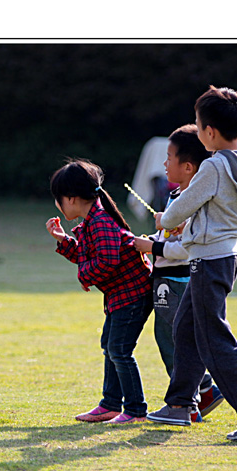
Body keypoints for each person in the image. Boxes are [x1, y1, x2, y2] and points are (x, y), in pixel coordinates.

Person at [144, 85, 237, 442]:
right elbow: (213, 206)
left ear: (211, 132)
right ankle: (179, 405)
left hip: (209, 259)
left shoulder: (214, 166)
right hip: (225, 253)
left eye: (199, 127)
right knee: (185, 329)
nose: (198, 132)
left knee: (212, 337)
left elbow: (182, 206)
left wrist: (164, 220)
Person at [46, 159, 154, 425]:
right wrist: (63, 240)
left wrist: (85, 276)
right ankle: (110, 404)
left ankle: (136, 410)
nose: (58, 205)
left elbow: (106, 261)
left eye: (58, 199)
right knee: (111, 346)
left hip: (133, 295)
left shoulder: (100, 222)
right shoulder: (94, 219)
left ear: (70, 198)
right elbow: (89, 254)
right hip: (122, 296)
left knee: (119, 350)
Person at [133, 125, 225, 423]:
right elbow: (172, 238)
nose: (164, 163)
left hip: (177, 281)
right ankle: (205, 391)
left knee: (175, 340)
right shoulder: (177, 195)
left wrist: (153, 246)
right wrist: (156, 240)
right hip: (168, 277)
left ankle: (187, 403)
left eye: (169, 157)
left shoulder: (195, 202)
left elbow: (185, 248)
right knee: (172, 339)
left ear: (188, 167)